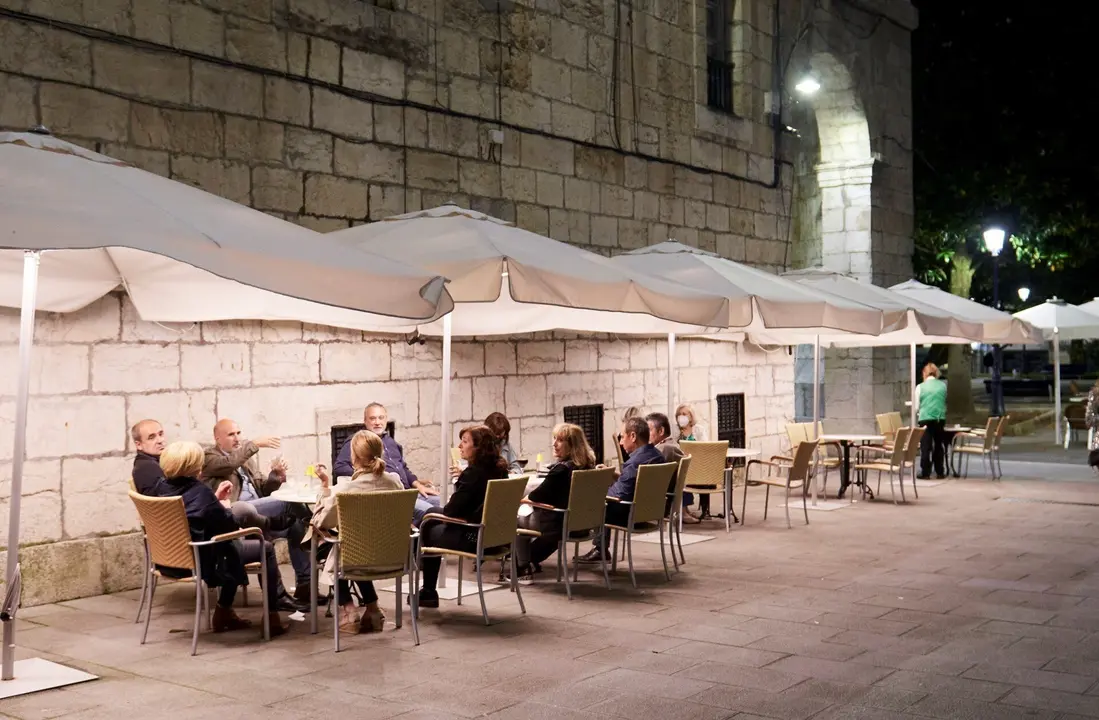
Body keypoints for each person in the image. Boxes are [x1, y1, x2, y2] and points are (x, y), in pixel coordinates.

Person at [155, 441, 289, 636]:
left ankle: (224, 612)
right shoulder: (199, 492)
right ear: (195, 467)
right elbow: (230, 525)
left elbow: (194, 515)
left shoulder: (161, 488)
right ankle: (271, 617)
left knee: (231, 546)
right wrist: (224, 505)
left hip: (170, 560)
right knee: (263, 548)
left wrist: (214, 501)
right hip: (203, 558)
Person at [203, 419, 312, 607]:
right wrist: (254, 444)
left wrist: (276, 476)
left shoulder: (245, 459)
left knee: (295, 525)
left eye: (239, 433)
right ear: (217, 438)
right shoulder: (209, 457)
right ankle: (318, 530)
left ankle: (305, 586)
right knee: (287, 502)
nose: (237, 438)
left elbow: (263, 490)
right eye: (231, 434)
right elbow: (229, 463)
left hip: (257, 513)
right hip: (236, 514)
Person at [311, 430, 403, 634]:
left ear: (354, 456)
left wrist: (325, 487)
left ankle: (349, 611)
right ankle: (372, 609)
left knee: (330, 546)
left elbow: (323, 521)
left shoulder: (347, 490)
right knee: (357, 546)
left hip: (357, 558)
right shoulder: (395, 481)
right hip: (393, 557)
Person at [417, 425, 509, 608]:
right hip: (497, 538)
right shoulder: (500, 470)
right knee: (430, 514)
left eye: (465, 442)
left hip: (473, 537)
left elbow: (452, 511)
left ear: (478, 448)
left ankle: (427, 589)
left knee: (427, 523)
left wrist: (458, 484)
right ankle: (426, 586)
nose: (460, 446)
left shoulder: (472, 474)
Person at [510, 423, 597, 579]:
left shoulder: (561, 470)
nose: (554, 444)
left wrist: (518, 501)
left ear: (572, 445)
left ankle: (522, 567)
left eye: (560, 440)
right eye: (554, 439)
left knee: (514, 517)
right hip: (582, 524)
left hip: (558, 523)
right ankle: (531, 560)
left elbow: (536, 496)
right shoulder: (588, 466)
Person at [334, 402, 442, 524]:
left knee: (442, 503)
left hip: (408, 491)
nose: (377, 422)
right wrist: (369, 473)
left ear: (386, 419)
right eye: (372, 418)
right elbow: (339, 467)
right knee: (434, 513)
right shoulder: (358, 442)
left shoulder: (391, 442)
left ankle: (414, 534)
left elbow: (403, 467)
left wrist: (418, 485)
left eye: (381, 418)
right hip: (391, 497)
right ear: (365, 421)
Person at [578, 416, 663, 563]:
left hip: (629, 514)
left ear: (633, 436)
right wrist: (614, 475)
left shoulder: (634, 462)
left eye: (622, 437)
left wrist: (598, 491)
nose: (621, 442)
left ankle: (599, 549)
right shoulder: (657, 457)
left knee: (598, 502)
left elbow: (619, 495)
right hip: (649, 512)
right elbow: (638, 483)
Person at [647, 412, 685, 515]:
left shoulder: (664, 450)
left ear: (661, 431)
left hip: (652, 506)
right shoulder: (671, 445)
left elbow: (643, 477)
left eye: (649, 430)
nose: (646, 435)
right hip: (664, 501)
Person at [916, 362, 948, 479]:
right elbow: (944, 400)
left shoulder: (920, 387)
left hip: (925, 418)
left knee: (926, 446)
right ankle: (940, 471)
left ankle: (925, 472)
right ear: (936, 373)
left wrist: (919, 412)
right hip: (939, 418)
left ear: (924, 373)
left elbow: (916, 406)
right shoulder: (943, 385)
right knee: (938, 445)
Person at [674, 404, 705, 519]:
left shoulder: (699, 430)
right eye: (679, 415)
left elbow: (705, 446)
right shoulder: (675, 431)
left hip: (697, 465)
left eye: (684, 414)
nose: (681, 417)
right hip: (681, 464)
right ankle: (683, 511)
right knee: (681, 475)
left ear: (691, 417)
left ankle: (685, 510)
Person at [131, 419, 167, 495]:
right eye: (151, 437)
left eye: (160, 434)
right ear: (139, 445)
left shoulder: (154, 461)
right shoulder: (147, 467)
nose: (160, 440)